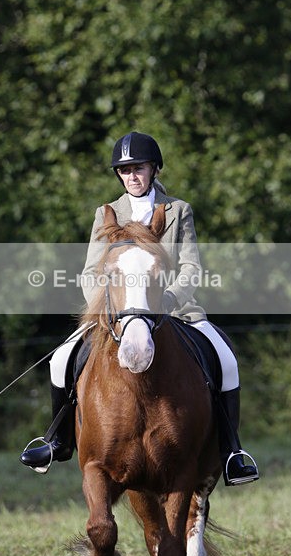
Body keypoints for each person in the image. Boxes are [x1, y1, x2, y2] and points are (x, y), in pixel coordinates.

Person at [20, 132, 259, 485]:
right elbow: (91, 272)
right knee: (61, 359)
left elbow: (191, 268)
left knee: (226, 358)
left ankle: (231, 453)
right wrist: (105, 307)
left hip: (173, 311)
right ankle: (57, 439)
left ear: (154, 169)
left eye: (139, 168)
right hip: (117, 314)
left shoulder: (178, 211)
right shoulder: (107, 214)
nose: (132, 176)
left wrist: (168, 299)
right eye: (125, 170)